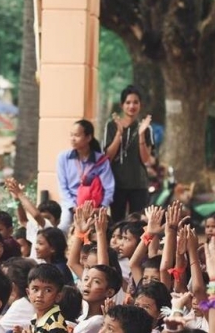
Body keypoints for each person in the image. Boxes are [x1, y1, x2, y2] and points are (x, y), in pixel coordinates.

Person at [103, 86, 154, 221]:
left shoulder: (146, 128)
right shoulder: (111, 126)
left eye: (135, 102)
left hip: (139, 183)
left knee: (137, 223)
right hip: (116, 183)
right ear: (122, 105)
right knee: (116, 221)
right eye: (128, 102)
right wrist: (119, 133)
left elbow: (145, 159)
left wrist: (141, 134)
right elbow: (108, 156)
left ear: (140, 105)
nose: (132, 106)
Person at [57, 119, 115, 230]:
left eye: (77, 135)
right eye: (71, 135)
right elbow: (63, 187)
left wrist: (102, 207)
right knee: (63, 228)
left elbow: (109, 188)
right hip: (71, 205)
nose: (72, 139)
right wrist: (73, 207)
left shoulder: (101, 160)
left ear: (88, 138)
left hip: (94, 207)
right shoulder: (63, 158)